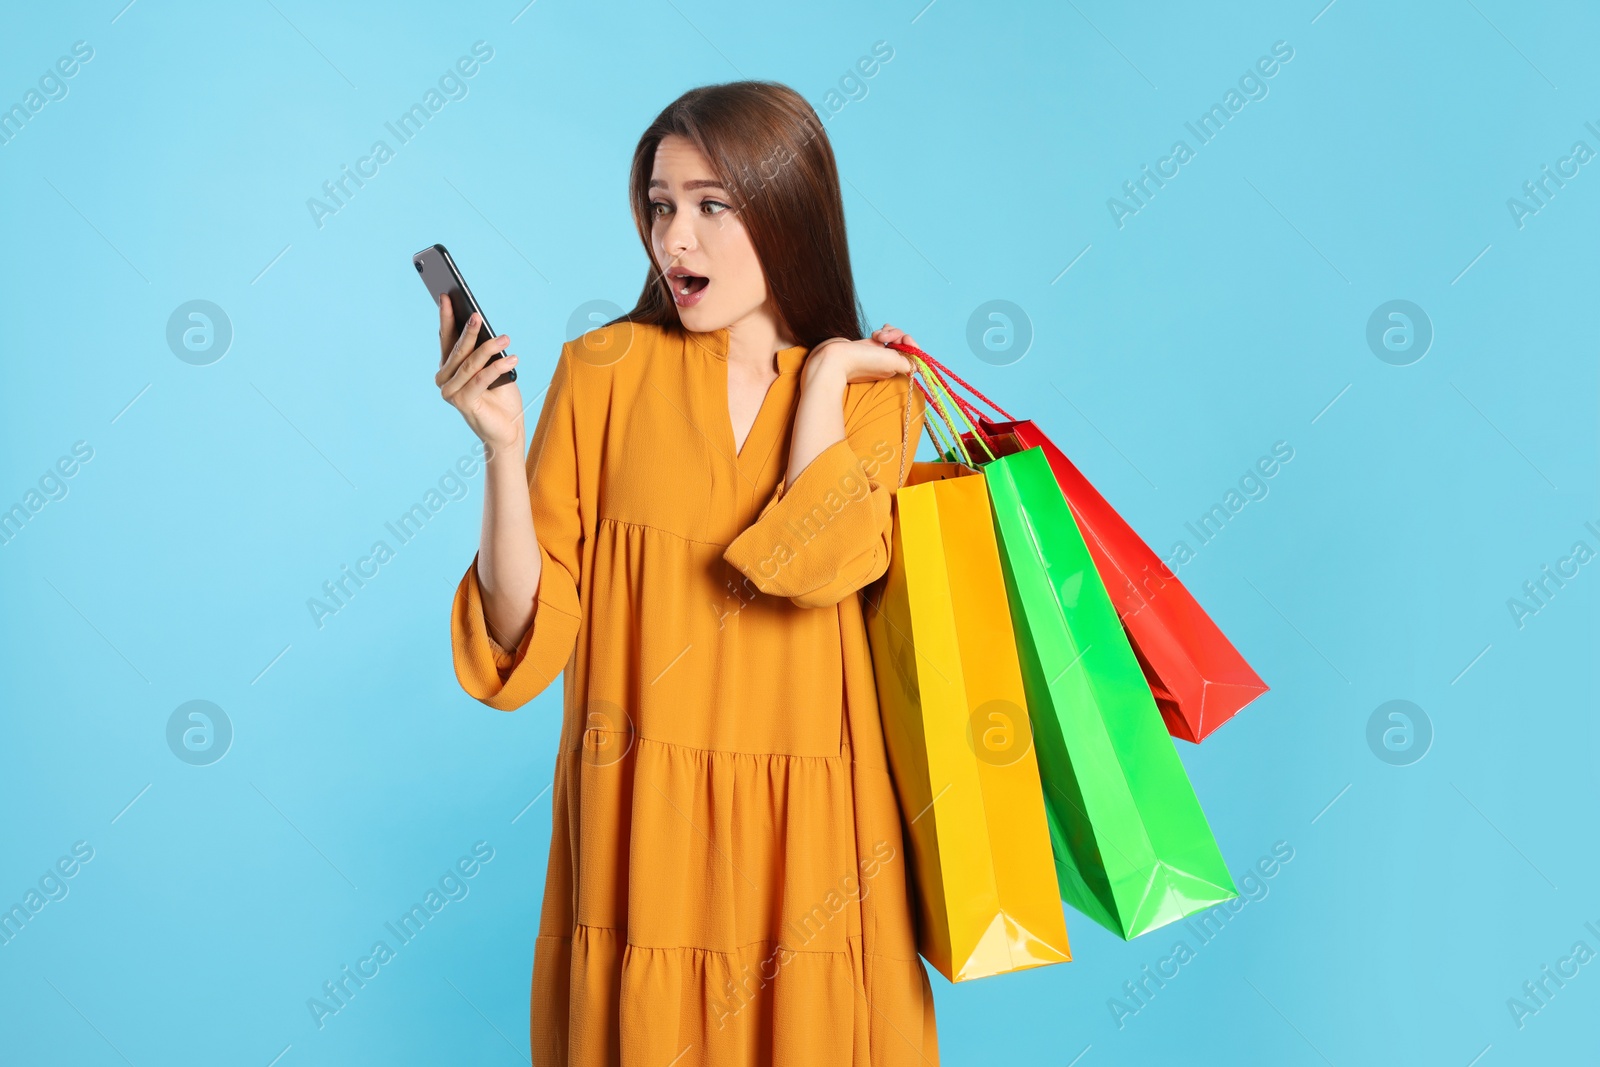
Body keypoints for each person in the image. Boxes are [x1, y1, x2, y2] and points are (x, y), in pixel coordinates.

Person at [437, 79, 937, 1066]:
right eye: (661, 206)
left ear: (787, 209)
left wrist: (826, 375)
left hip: (815, 843)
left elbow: (816, 560)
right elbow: (523, 626)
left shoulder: (873, 396)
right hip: (641, 831)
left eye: (713, 205)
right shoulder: (602, 372)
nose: (676, 239)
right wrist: (498, 449)